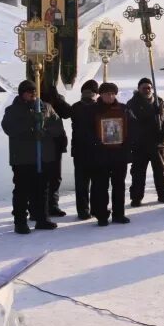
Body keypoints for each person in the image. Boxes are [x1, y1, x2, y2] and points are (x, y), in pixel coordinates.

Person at [2, 80, 64, 234]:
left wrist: (44, 130)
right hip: (23, 158)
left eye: (34, 92)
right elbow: (9, 128)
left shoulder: (46, 107)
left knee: (42, 189)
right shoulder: (13, 110)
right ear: (22, 93)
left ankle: (42, 219)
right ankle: (20, 222)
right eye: (29, 92)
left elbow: (57, 126)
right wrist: (31, 128)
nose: (33, 95)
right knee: (22, 190)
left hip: (42, 157)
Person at [88, 82, 135, 226]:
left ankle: (119, 214)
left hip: (119, 154)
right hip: (100, 155)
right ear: (100, 95)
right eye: (107, 94)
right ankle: (102, 215)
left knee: (119, 185)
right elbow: (85, 131)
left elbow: (134, 128)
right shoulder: (92, 110)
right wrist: (96, 142)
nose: (110, 96)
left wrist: (127, 142)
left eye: (112, 93)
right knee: (101, 186)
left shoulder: (124, 109)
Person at [127, 77, 164, 206]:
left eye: (149, 87)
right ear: (139, 89)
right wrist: (150, 115)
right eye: (144, 88)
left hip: (158, 143)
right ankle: (136, 197)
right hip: (140, 145)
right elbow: (131, 122)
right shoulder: (132, 104)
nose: (147, 90)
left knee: (160, 171)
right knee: (138, 173)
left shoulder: (159, 102)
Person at [39, 83, 72, 218]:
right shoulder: (34, 100)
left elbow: (67, 113)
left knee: (55, 176)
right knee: (39, 176)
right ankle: (37, 206)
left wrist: (57, 98)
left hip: (55, 142)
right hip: (39, 143)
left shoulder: (56, 100)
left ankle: (53, 205)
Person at [70, 79, 99, 220]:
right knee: (96, 182)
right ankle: (95, 209)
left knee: (81, 183)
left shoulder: (76, 107)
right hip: (96, 149)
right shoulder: (99, 107)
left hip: (79, 150)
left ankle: (83, 210)